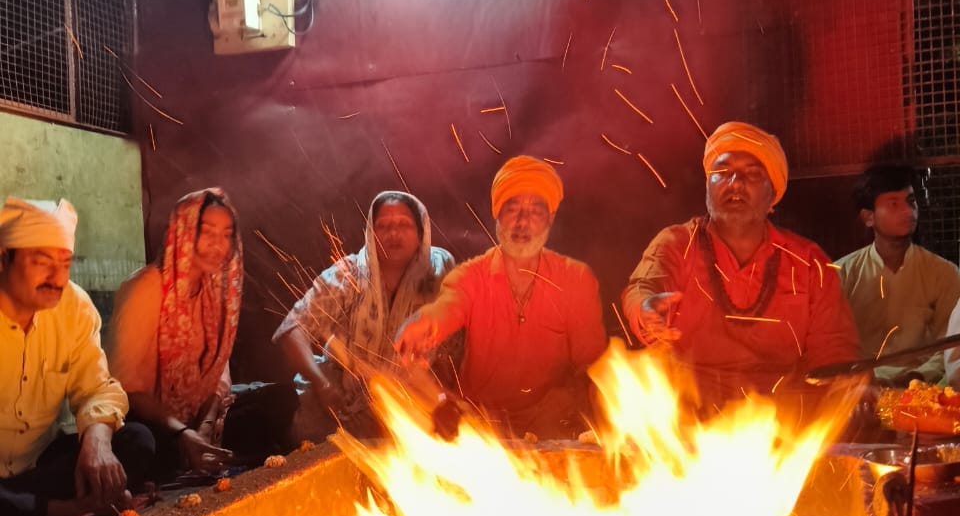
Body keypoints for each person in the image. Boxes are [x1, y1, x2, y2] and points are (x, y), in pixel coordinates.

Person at [621, 122, 860, 408]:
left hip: (778, 422)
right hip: (685, 416)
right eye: (722, 172)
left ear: (773, 195)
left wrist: (845, 382)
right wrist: (645, 309)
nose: (735, 183)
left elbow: (833, 347)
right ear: (707, 187)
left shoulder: (808, 261)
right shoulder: (676, 242)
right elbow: (643, 288)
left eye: (753, 173)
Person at [395, 156, 608, 439]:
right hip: (480, 425)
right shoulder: (470, 277)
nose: (523, 222)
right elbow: (445, 309)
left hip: (551, 426)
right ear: (497, 215)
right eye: (512, 208)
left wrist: (609, 422)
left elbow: (596, 367)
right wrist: (421, 326)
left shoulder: (576, 280)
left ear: (551, 217)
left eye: (535, 209)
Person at [107, 188, 295, 480]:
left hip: (200, 418)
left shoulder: (214, 291)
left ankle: (208, 457)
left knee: (281, 399)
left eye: (225, 235)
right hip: (156, 423)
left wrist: (206, 425)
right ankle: (186, 462)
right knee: (140, 445)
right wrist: (183, 432)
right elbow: (126, 389)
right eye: (207, 232)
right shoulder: (146, 289)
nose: (217, 245)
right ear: (183, 231)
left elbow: (219, 372)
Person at [0, 197, 154, 516]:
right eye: (42, 262)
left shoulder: (74, 306)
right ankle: (70, 509)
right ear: (3, 259)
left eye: (65, 263)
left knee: (138, 440)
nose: (57, 277)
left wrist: (96, 443)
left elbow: (98, 388)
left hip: (38, 467)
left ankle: (40, 508)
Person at [273, 191, 455, 438]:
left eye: (404, 224)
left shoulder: (438, 270)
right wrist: (322, 384)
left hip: (408, 405)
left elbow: (451, 338)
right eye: (384, 226)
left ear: (421, 232)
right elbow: (293, 330)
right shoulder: (349, 275)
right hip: (342, 406)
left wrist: (445, 391)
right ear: (371, 232)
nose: (393, 234)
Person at [836, 164, 960, 385]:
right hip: (861, 390)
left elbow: (950, 348)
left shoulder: (944, 273)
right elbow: (833, 345)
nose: (908, 212)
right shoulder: (842, 274)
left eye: (911, 202)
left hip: (923, 387)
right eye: (893, 204)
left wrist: (915, 378)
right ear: (868, 217)